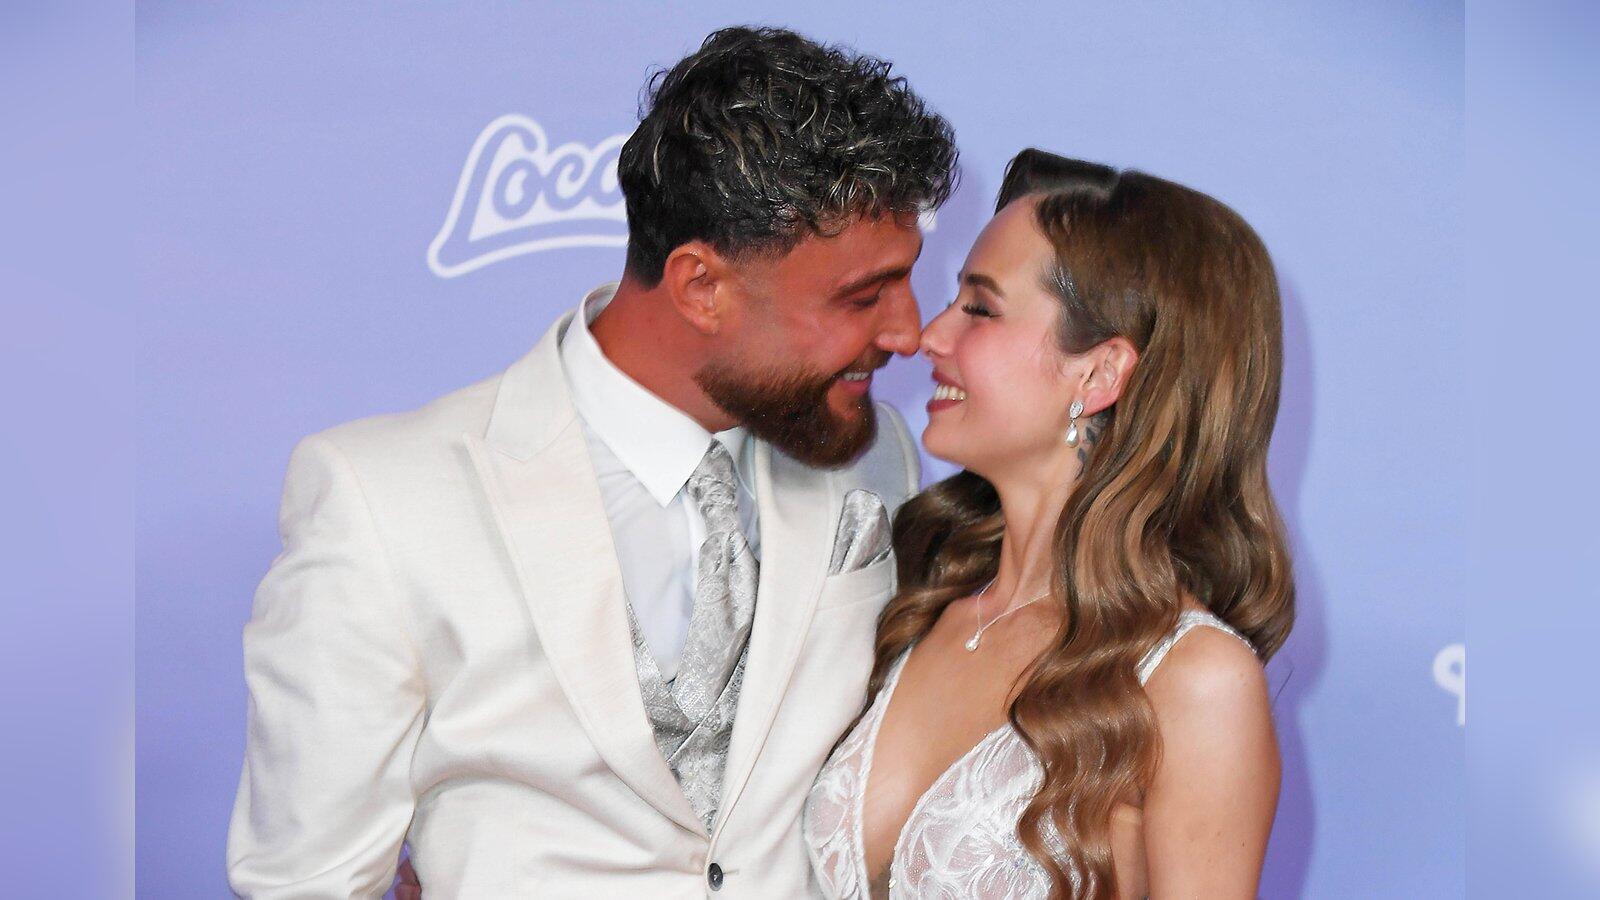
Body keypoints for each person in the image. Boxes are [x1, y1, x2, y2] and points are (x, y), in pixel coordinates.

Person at [226, 26, 956, 897]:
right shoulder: (382, 497)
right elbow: (305, 881)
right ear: (701, 287)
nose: (908, 332)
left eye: (907, 278)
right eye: (862, 296)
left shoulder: (877, 457)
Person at [803, 150, 1295, 898]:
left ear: (1099, 372)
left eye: (980, 308)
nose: (930, 336)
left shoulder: (1195, 681)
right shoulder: (918, 597)